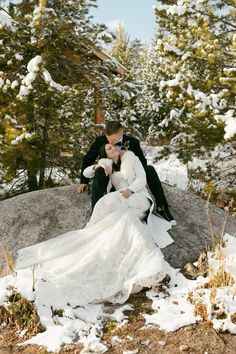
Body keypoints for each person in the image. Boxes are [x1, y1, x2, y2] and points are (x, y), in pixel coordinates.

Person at [16, 145, 174, 308]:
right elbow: (86, 173)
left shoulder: (131, 158)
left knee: (109, 201)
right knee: (123, 218)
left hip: (139, 197)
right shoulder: (109, 165)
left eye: (114, 147)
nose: (114, 148)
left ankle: (93, 226)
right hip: (124, 202)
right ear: (105, 154)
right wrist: (98, 165)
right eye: (109, 149)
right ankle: (94, 231)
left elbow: (142, 179)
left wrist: (131, 189)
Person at [77, 121, 176, 226]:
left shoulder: (132, 142)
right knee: (100, 171)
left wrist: (128, 159)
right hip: (110, 176)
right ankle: (96, 212)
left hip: (129, 178)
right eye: (108, 139)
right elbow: (88, 159)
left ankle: (162, 207)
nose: (111, 143)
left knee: (149, 169)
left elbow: (142, 163)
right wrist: (84, 181)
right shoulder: (100, 141)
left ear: (121, 132)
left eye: (114, 140)